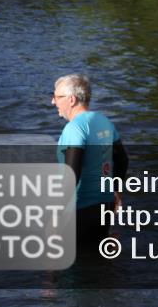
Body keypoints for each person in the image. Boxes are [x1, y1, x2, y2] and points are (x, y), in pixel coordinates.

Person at [52, 74, 129, 247]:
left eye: (56, 97)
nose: (53, 101)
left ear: (71, 99)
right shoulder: (105, 121)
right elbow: (122, 160)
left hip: (80, 208)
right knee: (97, 255)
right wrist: (116, 192)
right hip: (105, 204)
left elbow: (72, 173)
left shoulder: (75, 128)